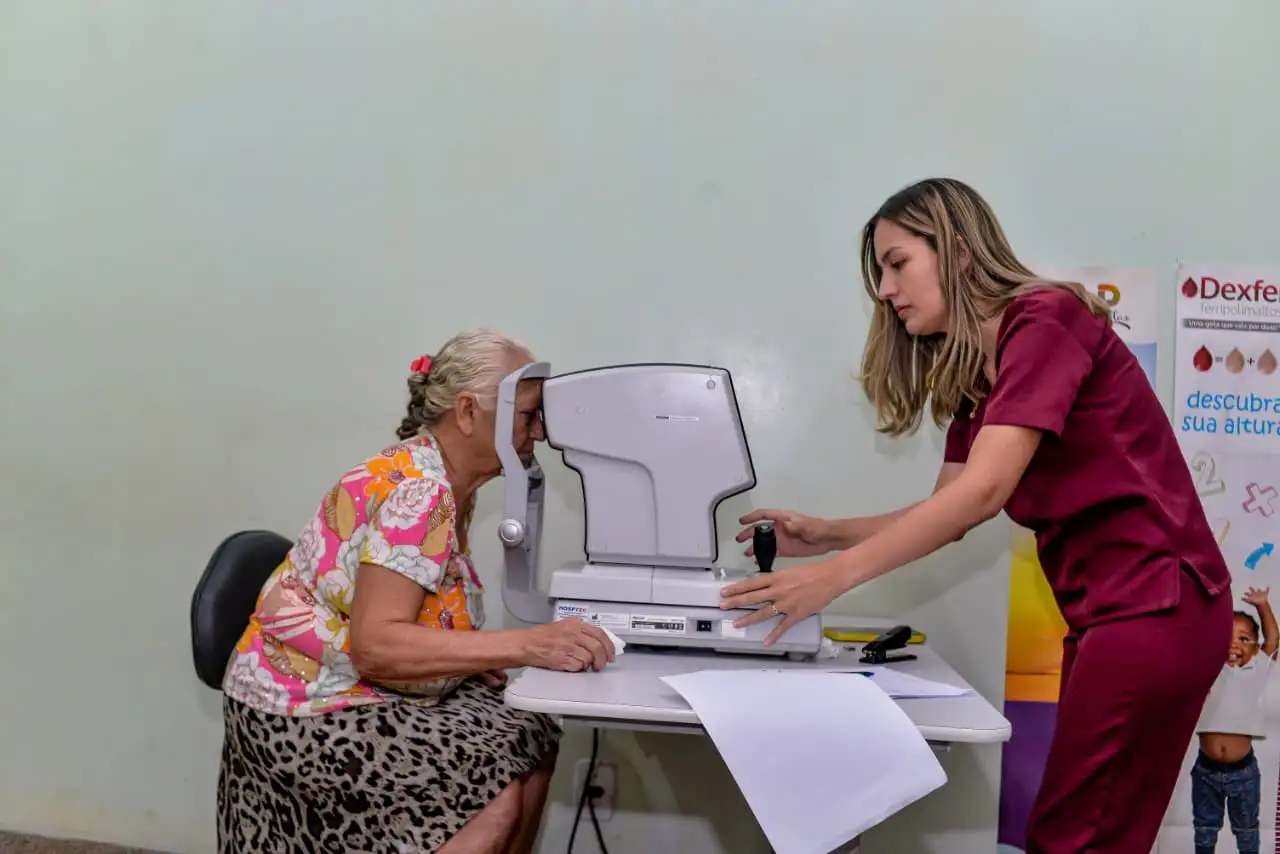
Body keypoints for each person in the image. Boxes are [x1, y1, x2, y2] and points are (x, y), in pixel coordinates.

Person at [718, 177, 1233, 853]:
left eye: (897, 263)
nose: (884, 289)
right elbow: (950, 510)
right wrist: (825, 535)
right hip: (1116, 613)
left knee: (1074, 837)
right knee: (1091, 834)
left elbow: (984, 491)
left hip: (1158, 605)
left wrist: (834, 578)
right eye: (879, 273)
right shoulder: (981, 378)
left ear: (958, 252)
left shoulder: (1045, 320)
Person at [217, 328, 616, 854]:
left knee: (532, 732)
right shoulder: (421, 492)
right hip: (303, 706)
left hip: (350, 681)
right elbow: (377, 647)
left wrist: (470, 656)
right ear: (470, 413)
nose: (538, 433)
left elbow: (411, 610)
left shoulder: (441, 477)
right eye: (527, 416)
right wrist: (528, 643)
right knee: (491, 808)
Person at [1192, 586, 1277, 854]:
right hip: (1205, 771)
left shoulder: (1255, 672)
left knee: (1247, 833)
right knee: (1205, 831)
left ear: (1254, 649)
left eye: (1243, 640)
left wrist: (1262, 605)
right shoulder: (1204, 670)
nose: (1234, 646)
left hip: (1244, 772)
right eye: (1227, 638)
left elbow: (1273, 639)